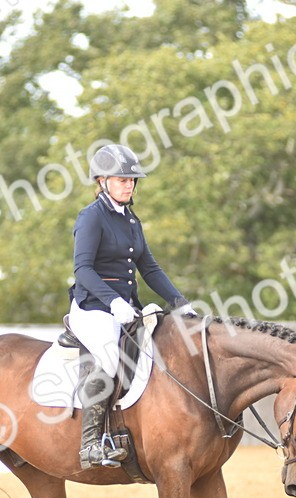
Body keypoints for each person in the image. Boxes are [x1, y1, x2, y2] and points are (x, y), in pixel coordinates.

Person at [68, 143, 197, 469]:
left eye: (131, 180)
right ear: (102, 181)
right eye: (121, 179)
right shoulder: (91, 218)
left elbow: (149, 268)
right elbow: (82, 269)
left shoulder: (131, 221)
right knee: (111, 356)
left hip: (126, 306)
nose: (128, 184)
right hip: (93, 307)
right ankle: (90, 445)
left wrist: (179, 302)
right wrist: (113, 302)